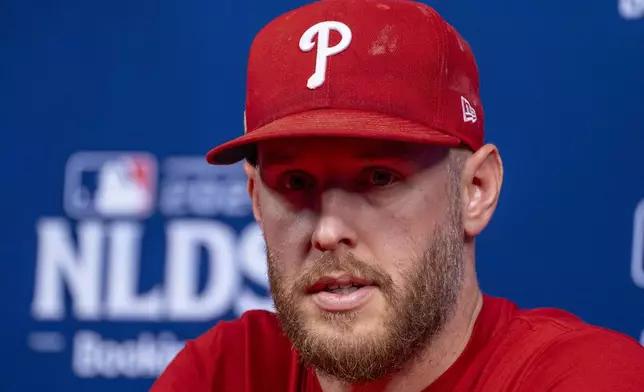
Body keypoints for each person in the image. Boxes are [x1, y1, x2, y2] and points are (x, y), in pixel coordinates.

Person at [151, 0, 644, 391]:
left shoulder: (587, 379)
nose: (327, 231)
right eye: (295, 183)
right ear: (256, 200)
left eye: (379, 178)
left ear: (476, 190)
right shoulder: (227, 373)